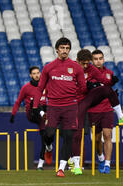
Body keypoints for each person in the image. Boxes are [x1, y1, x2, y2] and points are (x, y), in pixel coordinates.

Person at [32, 37, 87, 177]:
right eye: (62, 48)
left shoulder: (76, 67)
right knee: (49, 134)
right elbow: (40, 88)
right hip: (54, 107)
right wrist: (35, 105)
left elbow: (83, 88)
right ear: (57, 50)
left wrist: (76, 99)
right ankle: (49, 148)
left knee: (69, 136)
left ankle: (61, 168)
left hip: (70, 107)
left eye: (67, 48)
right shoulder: (49, 67)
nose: (65, 50)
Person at [70, 49, 123, 175]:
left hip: (104, 108)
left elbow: (105, 80)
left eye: (88, 63)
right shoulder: (73, 69)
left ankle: (121, 116)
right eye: (83, 63)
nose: (86, 66)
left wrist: (112, 81)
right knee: (86, 136)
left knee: (107, 135)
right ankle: (81, 164)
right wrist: (88, 87)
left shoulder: (96, 70)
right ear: (78, 61)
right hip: (84, 105)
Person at [10, 66, 52, 170]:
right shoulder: (26, 88)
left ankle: (42, 162)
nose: (37, 75)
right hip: (32, 113)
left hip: (43, 114)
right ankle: (43, 114)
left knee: (45, 137)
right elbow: (18, 101)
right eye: (34, 73)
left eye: (38, 73)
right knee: (35, 101)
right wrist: (13, 114)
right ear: (30, 75)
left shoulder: (45, 85)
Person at [87, 49, 116, 174]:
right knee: (97, 139)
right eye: (95, 59)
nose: (98, 61)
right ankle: (101, 158)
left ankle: (108, 165)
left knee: (108, 135)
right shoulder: (87, 75)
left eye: (100, 58)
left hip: (107, 110)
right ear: (92, 61)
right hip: (93, 111)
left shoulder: (109, 73)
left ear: (103, 59)